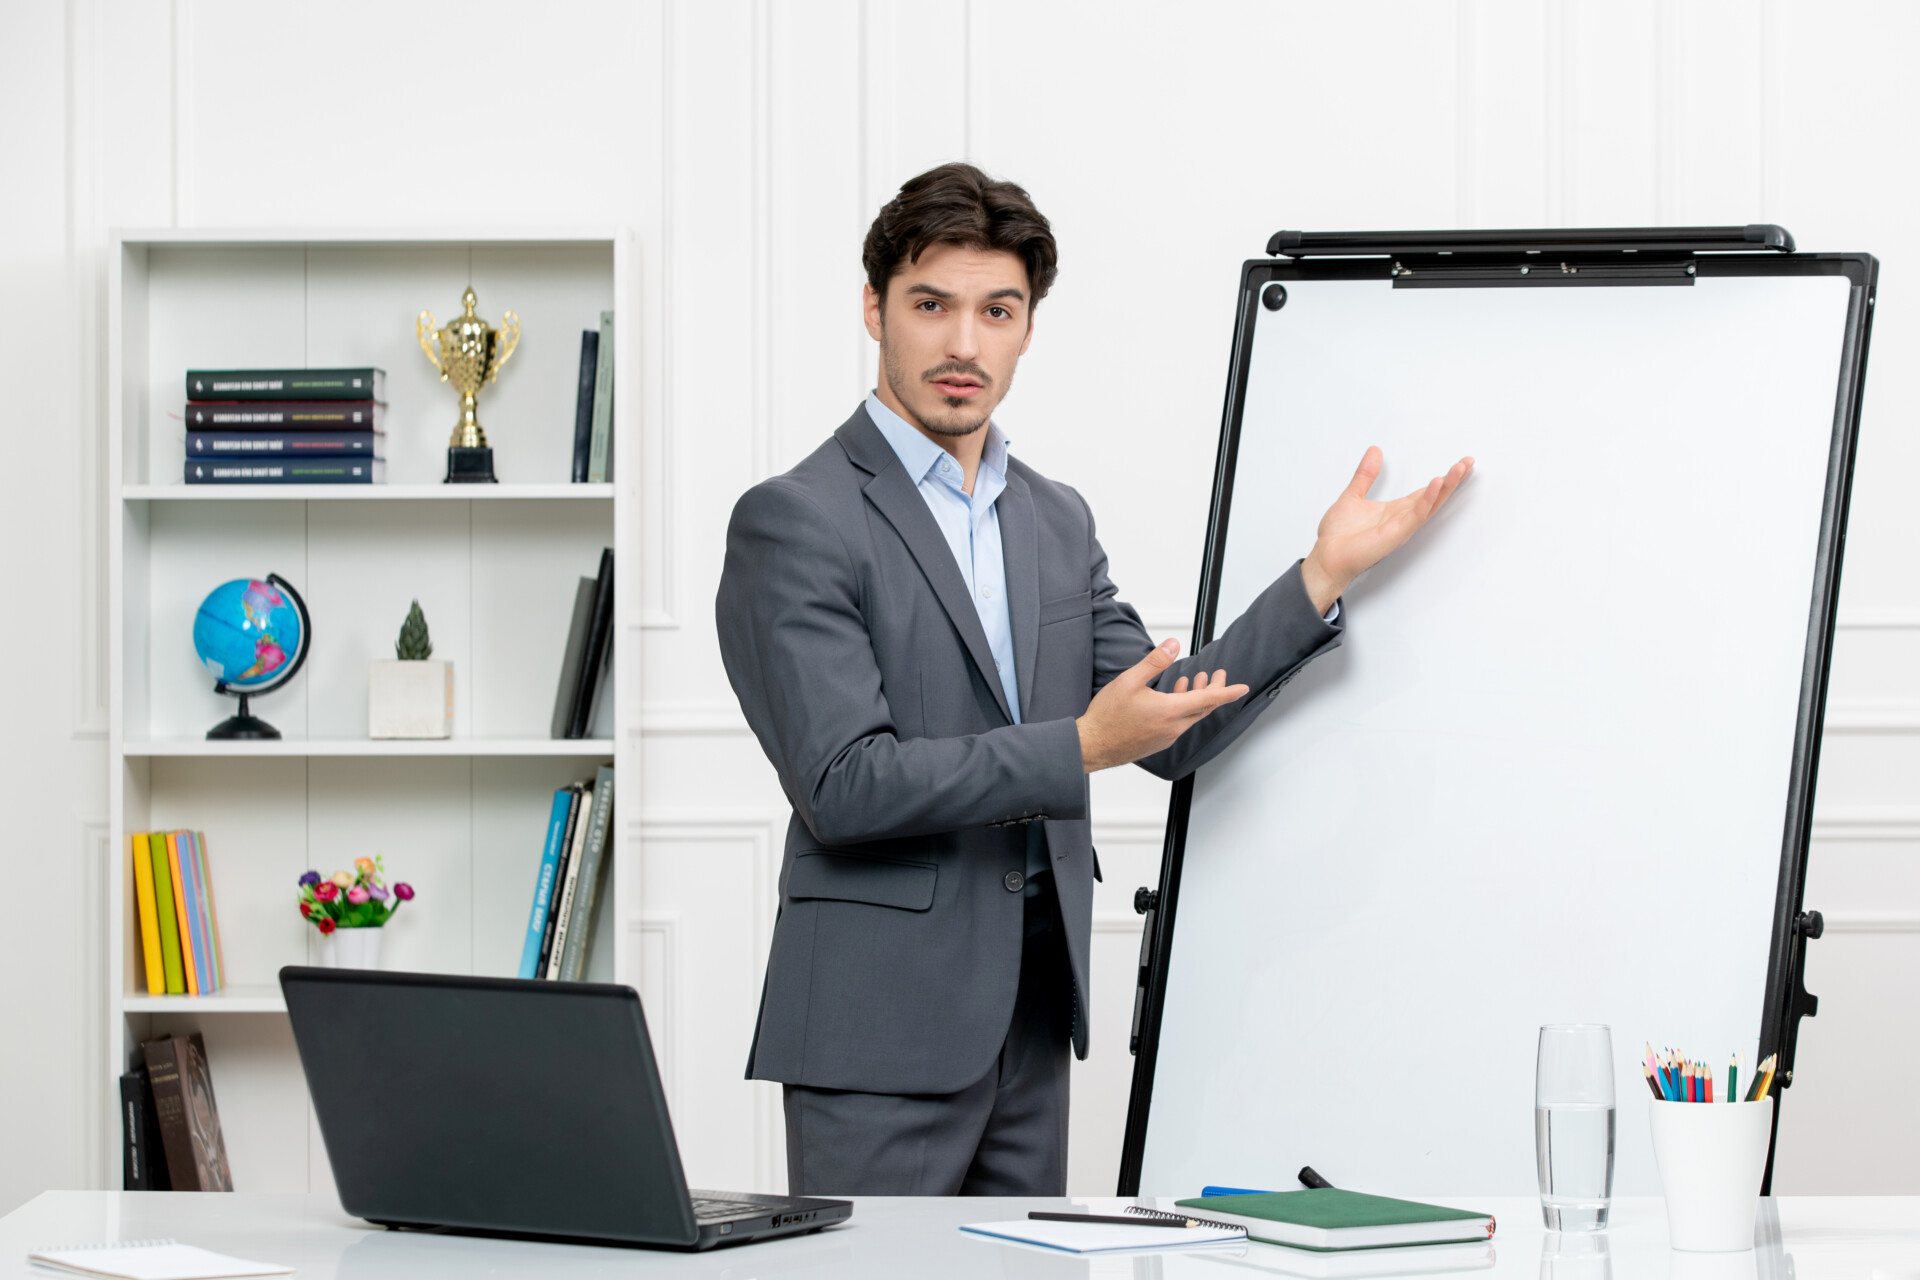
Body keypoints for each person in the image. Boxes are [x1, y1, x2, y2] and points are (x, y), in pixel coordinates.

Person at [716, 162, 1471, 1196]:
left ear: (1029, 326)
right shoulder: (794, 518)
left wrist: (1319, 575)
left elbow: (1168, 725)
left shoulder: (1054, 517)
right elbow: (845, 784)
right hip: (877, 1038)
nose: (963, 344)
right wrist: (1074, 747)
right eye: (931, 305)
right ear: (873, 309)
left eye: (998, 309)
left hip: (1031, 1025)